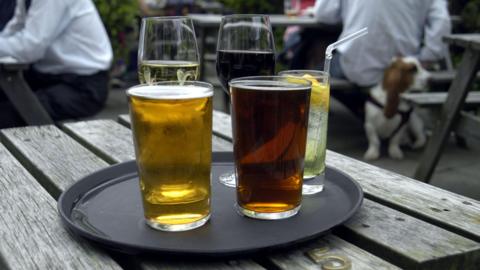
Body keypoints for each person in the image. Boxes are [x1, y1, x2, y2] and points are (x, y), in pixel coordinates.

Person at [0, 0, 113, 128]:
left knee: (7, 114)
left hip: (82, 86)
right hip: (48, 77)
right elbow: (13, 30)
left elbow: (30, 47)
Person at [310, 0, 451, 87]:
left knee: (311, 72)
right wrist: (425, 58)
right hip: (403, 67)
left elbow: (325, 14)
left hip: (357, 66)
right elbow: (442, 22)